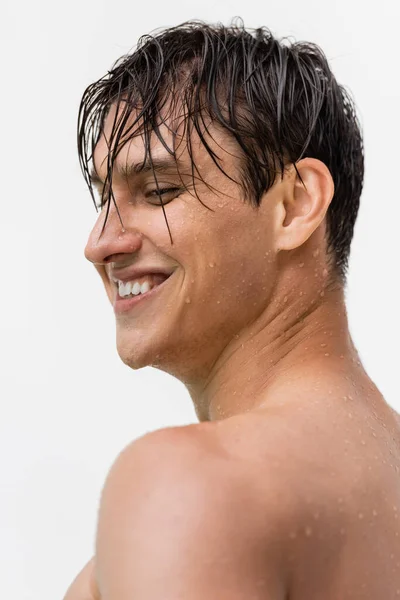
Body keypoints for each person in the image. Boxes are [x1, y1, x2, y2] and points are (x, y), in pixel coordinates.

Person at [64, 20, 400, 600]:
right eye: (104, 198)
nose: (99, 244)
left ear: (294, 206)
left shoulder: (191, 489)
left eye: (159, 190)